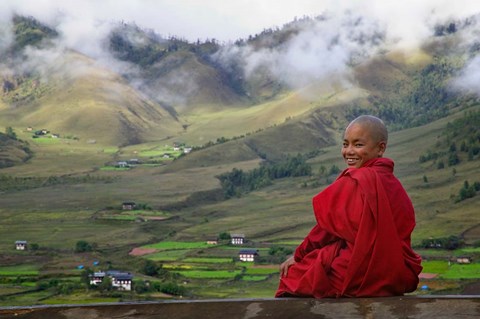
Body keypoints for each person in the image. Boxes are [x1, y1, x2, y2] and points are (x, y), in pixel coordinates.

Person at [275, 115, 422, 298]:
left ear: (380, 148)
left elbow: (324, 231)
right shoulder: (396, 186)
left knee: (292, 278)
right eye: (345, 144)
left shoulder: (356, 181)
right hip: (395, 275)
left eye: (358, 145)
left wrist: (298, 257)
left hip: (359, 274)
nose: (349, 152)